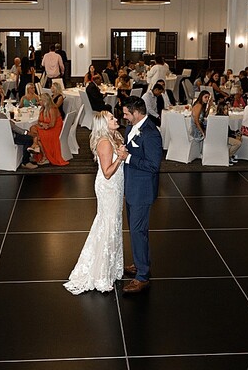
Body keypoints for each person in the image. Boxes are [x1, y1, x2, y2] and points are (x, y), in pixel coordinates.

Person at [64, 111, 126, 294]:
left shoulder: (114, 136)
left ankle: (111, 267)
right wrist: (120, 158)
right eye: (111, 118)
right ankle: (101, 273)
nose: (116, 119)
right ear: (103, 124)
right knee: (108, 224)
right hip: (108, 187)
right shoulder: (105, 142)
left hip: (116, 185)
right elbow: (107, 172)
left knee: (113, 223)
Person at [117, 96, 163, 293]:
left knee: (138, 231)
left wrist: (128, 158)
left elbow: (153, 166)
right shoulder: (131, 127)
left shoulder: (151, 134)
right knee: (135, 230)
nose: (124, 117)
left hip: (142, 191)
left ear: (136, 113)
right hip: (131, 187)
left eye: (126, 114)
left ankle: (142, 276)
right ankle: (139, 263)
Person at [28, 93, 68, 166]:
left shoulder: (52, 109)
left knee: (38, 136)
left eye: (40, 100)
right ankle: (36, 145)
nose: (39, 102)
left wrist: (44, 126)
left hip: (54, 129)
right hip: (46, 127)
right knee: (32, 128)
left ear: (45, 101)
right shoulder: (42, 108)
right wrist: (42, 124)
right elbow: (39, 121)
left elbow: (52, 124)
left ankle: (44, 155)